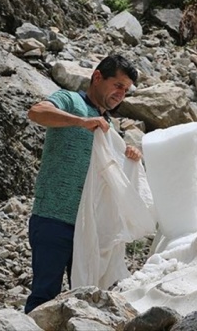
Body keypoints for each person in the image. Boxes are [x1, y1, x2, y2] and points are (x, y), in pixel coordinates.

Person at [24, 54, 142, 314]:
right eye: (118, 85)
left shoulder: (108, 126)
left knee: (86, 300)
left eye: (126, 90)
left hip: (90, 227)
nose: (121, 94)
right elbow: (37, 112)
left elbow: (110, 176)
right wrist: (81, 121)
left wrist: (129, 156)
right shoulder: (70, 100)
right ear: (98, 77)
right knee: (45, 296)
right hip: (53, 218)